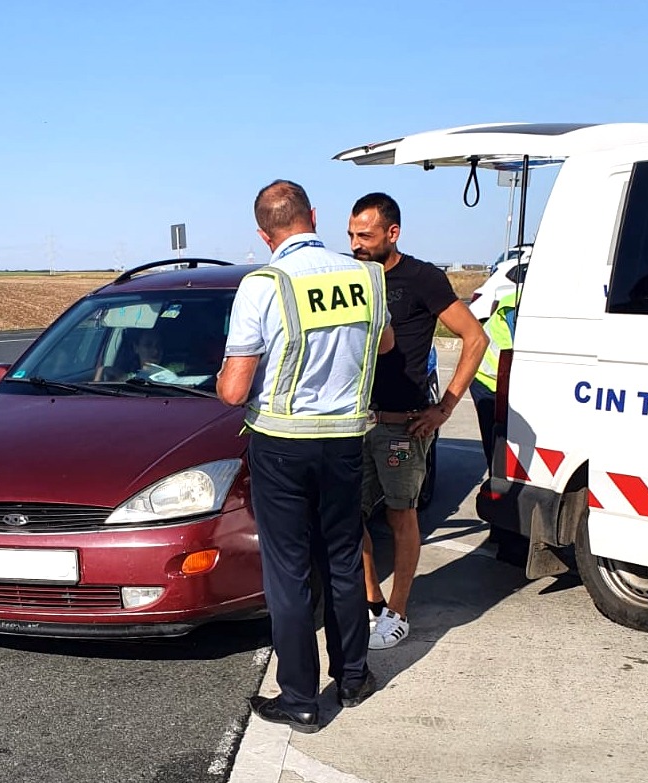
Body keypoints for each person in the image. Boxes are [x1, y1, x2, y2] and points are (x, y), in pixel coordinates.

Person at [217, 180, 395, 733]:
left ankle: (299, 699)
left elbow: (233, 390)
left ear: (263, 234)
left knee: (289, 572)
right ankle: (354, 677)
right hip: (344, 441)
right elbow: (386, 344)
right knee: (343, 559)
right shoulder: (365, 276)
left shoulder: (263, 284)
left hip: (281, 446)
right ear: (313, 216)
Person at [348, 193, 488, 650]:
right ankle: (372, 600)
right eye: (351, 235)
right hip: (356, 422)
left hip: (403, 427)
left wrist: (444, 408)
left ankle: (398, 612)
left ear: (393, 233)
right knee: (348, 515)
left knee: (400, 514)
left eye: (365, 235)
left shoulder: (422, 278)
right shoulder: (352, 278)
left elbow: (475, 337)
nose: (356, 245)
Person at [470, 290, 518, 467]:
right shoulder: (514, 308)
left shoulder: (514, 300)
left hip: (498, 377)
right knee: (497, 443)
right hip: (487, 381)